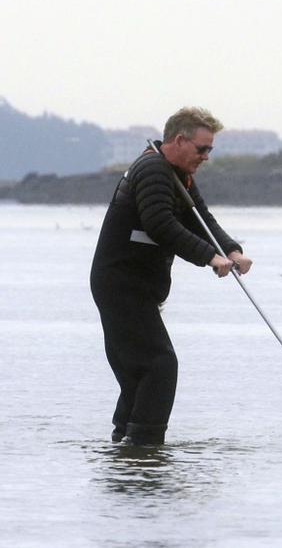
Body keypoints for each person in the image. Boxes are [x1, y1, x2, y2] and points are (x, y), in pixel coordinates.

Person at [90, 107, 252, 445]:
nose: (206, 156)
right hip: (120, 285)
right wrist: (210, 258)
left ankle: (127, 451)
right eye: (202, 149)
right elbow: (160, 225)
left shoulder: (177, 174)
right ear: (179, 140)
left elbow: (200, 220)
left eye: (210, 150)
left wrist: (232, 250)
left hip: (138, 288)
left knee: (139, 373)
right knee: (160, 365)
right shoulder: (152, 170)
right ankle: (146, 448)